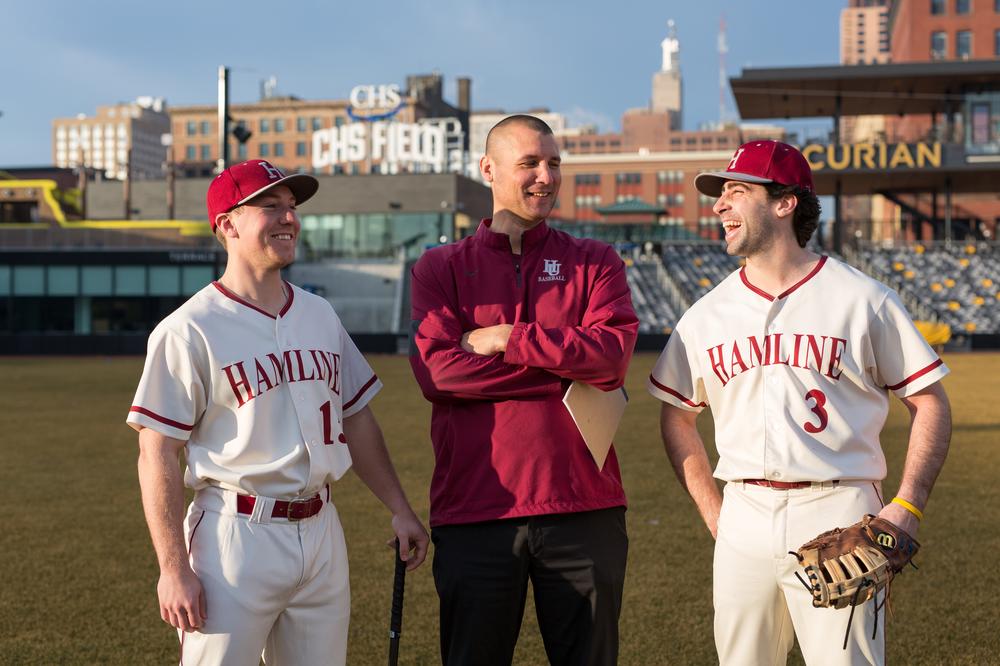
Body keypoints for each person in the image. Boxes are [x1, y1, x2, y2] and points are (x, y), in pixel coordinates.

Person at [647, 140, 952, 665]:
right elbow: (676, 417)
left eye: (736, 191)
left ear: (785, 202)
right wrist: (715, 514)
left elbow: (931, 402)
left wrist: (907, 506)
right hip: (742, 511)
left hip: (841, 509)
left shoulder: (864, 299)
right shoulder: (704, 315)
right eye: (720, 195)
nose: (719, 205)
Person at [127, 159, 429, 664]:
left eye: (291, 207)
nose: (289, 218)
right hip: (235, 537)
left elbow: (355, 417)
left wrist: (399, 507)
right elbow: (156, 451)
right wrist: (173, 568)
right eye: (271, 206)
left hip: (322, 530)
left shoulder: (318, 313)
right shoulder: (188, 328)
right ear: (227, 224)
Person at [409, 115, 639, 665]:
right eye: (530, 163)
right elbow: (438, 374)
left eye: (554, 163)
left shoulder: (595, 261)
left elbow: (610, 360)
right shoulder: (440, 267)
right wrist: (564, 365)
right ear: (488, 170)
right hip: (475, 511)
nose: (546, 176)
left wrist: (509, 339)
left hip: (585, 508)